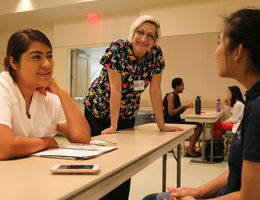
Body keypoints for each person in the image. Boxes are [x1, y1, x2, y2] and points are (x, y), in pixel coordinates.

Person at [143, 8, 260, 200]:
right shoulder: (252, 102)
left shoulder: (257, 108)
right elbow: (238, 172)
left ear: (238, 51)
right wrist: (197, 192)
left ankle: (190, 149)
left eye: (219, 43)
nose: (215, 51)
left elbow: (250, 195)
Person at [84, 15, 182, 200]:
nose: (144, 39)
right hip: (98, 110)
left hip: (127, 113)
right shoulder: (118, 48)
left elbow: (155, 90)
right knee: (100, 160)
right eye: (141, 32)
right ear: (133, 32)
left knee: (124, 162)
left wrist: (161, 125)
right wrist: (113, 126)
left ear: (155, 40)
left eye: (151, 36)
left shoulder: (155, 54)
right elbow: (115, 89)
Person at [0, 28, 91, 160]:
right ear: (13, 62)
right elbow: (4, 147)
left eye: (49, 56)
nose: (47, 64)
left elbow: (82, 138)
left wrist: (62, 92)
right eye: (36, 57)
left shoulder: (48, 95)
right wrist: (46, 142)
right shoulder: (4, 87)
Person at [163, 78, 203, 157]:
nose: (183, 88)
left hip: (176, 120)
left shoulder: (176, 96)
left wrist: (185, 107)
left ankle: (191, 148)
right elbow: (171, 113)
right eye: (182, 86)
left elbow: (177, 111)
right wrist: (184, 106)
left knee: (197, 125)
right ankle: (190, 150)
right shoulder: (171, 96)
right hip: (171, 122)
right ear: (177, 86)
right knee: (198, 126)